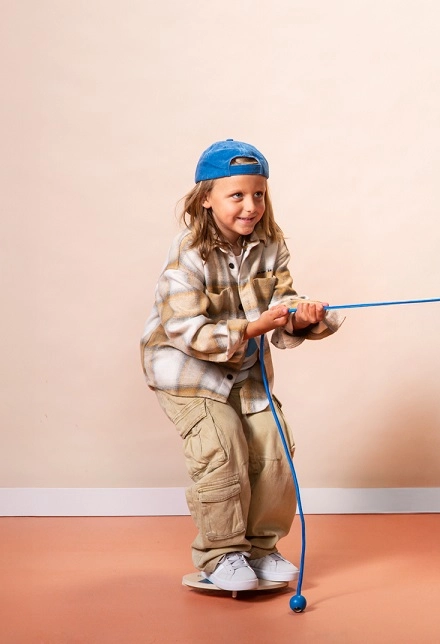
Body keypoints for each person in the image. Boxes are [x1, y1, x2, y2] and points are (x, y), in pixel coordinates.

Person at [140, 139, 342, 590]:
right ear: (206, 199)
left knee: (273, 448)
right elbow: (185, 330)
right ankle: (222, 554)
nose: (251, 206)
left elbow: (282, 303)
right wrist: (252, 328)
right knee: (222, 447)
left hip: (244, 371)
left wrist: (302, 314)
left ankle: (260, 548)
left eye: (259, 194)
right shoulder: (187, 254)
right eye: (237, 195)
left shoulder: (271, 245)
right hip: (189, 373)